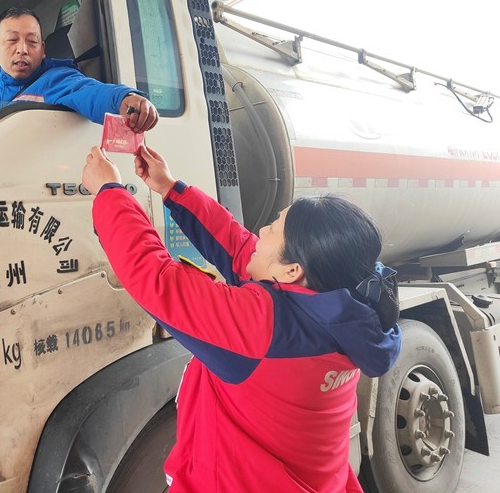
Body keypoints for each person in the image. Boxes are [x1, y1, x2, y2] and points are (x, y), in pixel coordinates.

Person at [81, 145, 402, 493]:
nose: (260, 231)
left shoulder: (265, 329)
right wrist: (171, 188)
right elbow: (239, 247)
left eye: (273, 229)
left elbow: (156, 278)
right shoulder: (346, 309)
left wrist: (109, 193)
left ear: (293, 271)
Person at [0, 7, 158, 132]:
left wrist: (125, 99)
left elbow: (90, 92)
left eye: (32, 42)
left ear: (43, 50)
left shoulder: (58, 80)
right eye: (12, 40)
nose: (22, 49)